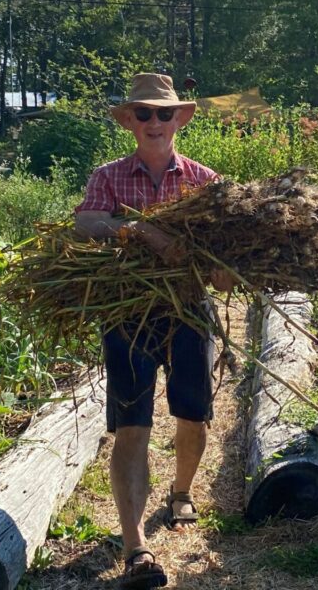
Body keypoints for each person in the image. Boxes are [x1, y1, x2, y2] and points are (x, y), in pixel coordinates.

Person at [74, 72, 232, 590]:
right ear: (130, 122)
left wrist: (224, 270)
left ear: (179, 119)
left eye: (164, 113)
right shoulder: (109, 176)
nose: (155, 122)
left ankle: (181, 491)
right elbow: (85, 224)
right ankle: (136, 545)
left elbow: (224, 252)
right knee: (132, 424)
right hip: (128, 314)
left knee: (193, 416)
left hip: (187, 311)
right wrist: (141, 229)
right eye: (144, 113)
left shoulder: (205, 180)